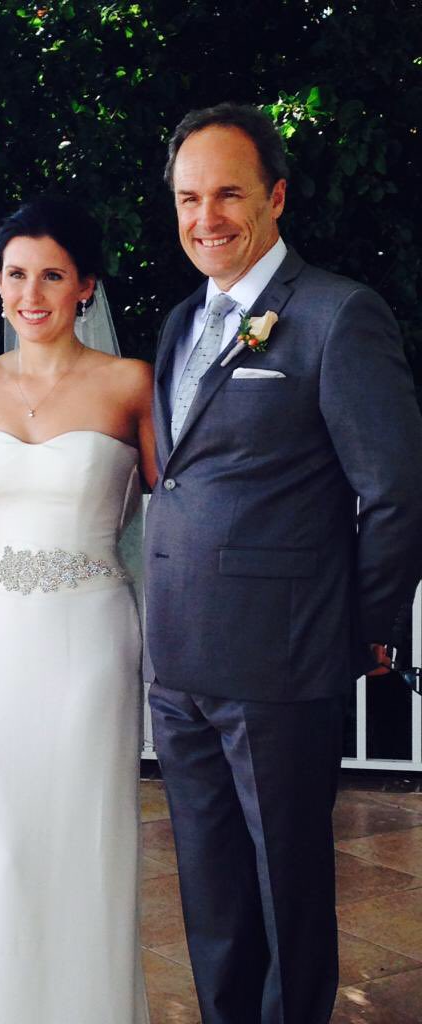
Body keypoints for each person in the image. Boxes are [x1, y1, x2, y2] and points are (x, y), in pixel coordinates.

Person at [145, 102, 422, 1024]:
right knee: (212, 894)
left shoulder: (339, 315)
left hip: (281, 664)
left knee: (287, 894)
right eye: (189, 196)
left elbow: (394, 493)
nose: (206, 216)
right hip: (178, 661)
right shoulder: (183, 321)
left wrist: (361, 632)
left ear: (277, 196)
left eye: (228, 192)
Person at [0, 197, 157, 1024]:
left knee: (82, 832)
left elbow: (185, 509)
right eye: (16, 274)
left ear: (86, 286)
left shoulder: (130, 383)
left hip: (91, 633)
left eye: (52, 274)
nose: (31, 293)